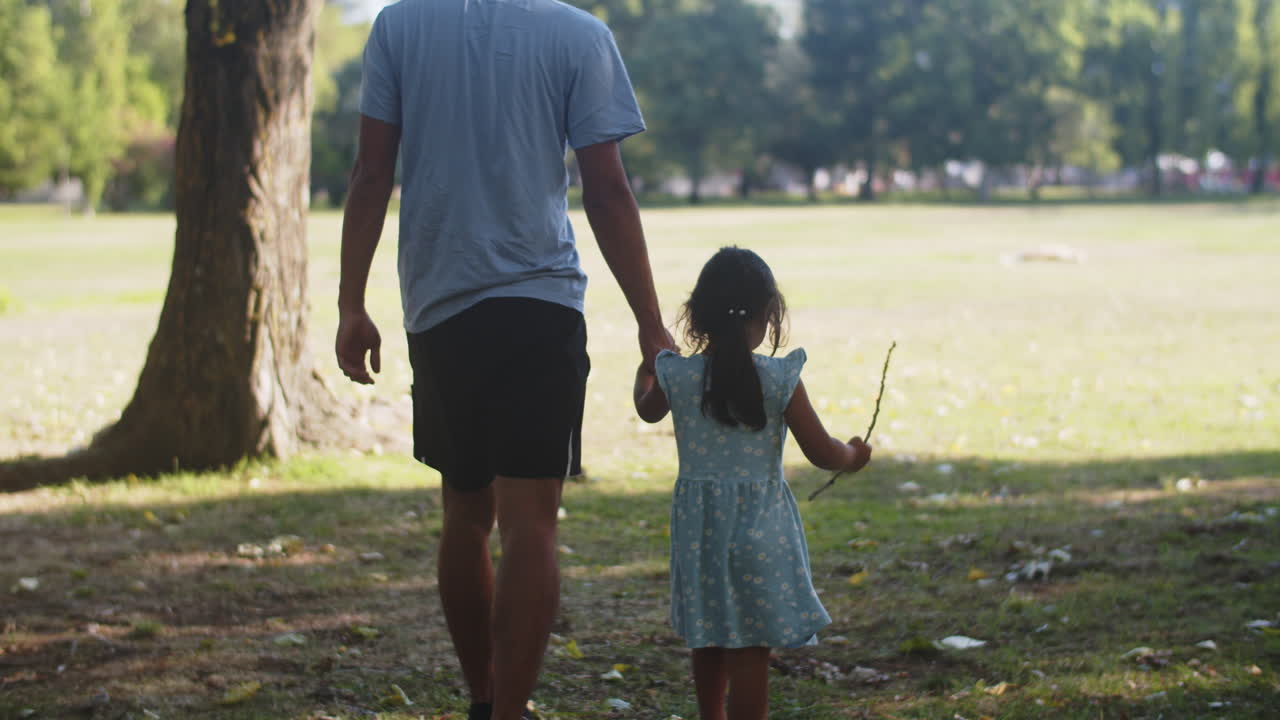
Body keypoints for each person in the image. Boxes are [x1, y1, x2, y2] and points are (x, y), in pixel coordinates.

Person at [334, 1, 674, 718]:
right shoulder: (579, 35)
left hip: (440, 304)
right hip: (541, 305)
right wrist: (651, 325)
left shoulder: (399, 26)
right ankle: (510, 710)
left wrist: (351, 304)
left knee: (464, 512)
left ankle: (485, 697)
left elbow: (371, 172)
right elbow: (608, 189)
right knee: (532, 522)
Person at [632, 247, 872, 720]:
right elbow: (822, 452)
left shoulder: (676, 374)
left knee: (707, 634)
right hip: (761, 532)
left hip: (700, 535)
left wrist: (646, 370)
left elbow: (646, 408)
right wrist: (854, 456)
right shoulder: (780, 379)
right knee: (750, 648)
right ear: (769, 314)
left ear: (696, 315)